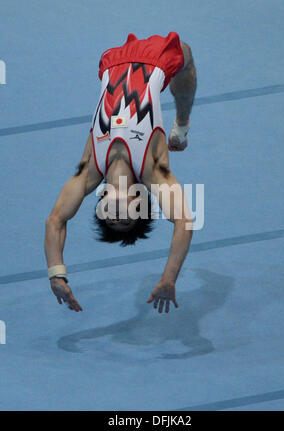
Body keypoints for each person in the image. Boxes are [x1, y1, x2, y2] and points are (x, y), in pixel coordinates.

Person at [44, 31, 197, 314]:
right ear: (139, 203)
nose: (115, 216)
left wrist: (56, 273)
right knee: (185, 54)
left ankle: (182, 125)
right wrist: (168, 278)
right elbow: (184, 222)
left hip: (112, 63)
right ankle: (183, 124)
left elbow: (56, 219)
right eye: (124, 220)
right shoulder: (154, 173)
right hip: (156, 62)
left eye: (109, 219)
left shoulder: (89, 171)